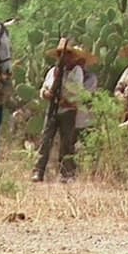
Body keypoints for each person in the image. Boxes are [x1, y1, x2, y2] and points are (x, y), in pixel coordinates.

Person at [31, 39, 93, 183]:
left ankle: (66, 173)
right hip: (53, 110)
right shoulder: (53, 71)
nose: (64, 57)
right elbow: (44, 90)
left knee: (67, 143)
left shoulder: (76, 71)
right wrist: (49, 94)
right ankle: (38, 171)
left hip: (68, 111)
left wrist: (62, 96)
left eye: (67, 54)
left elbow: (75, 91)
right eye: (61, 54)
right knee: (45, 141)